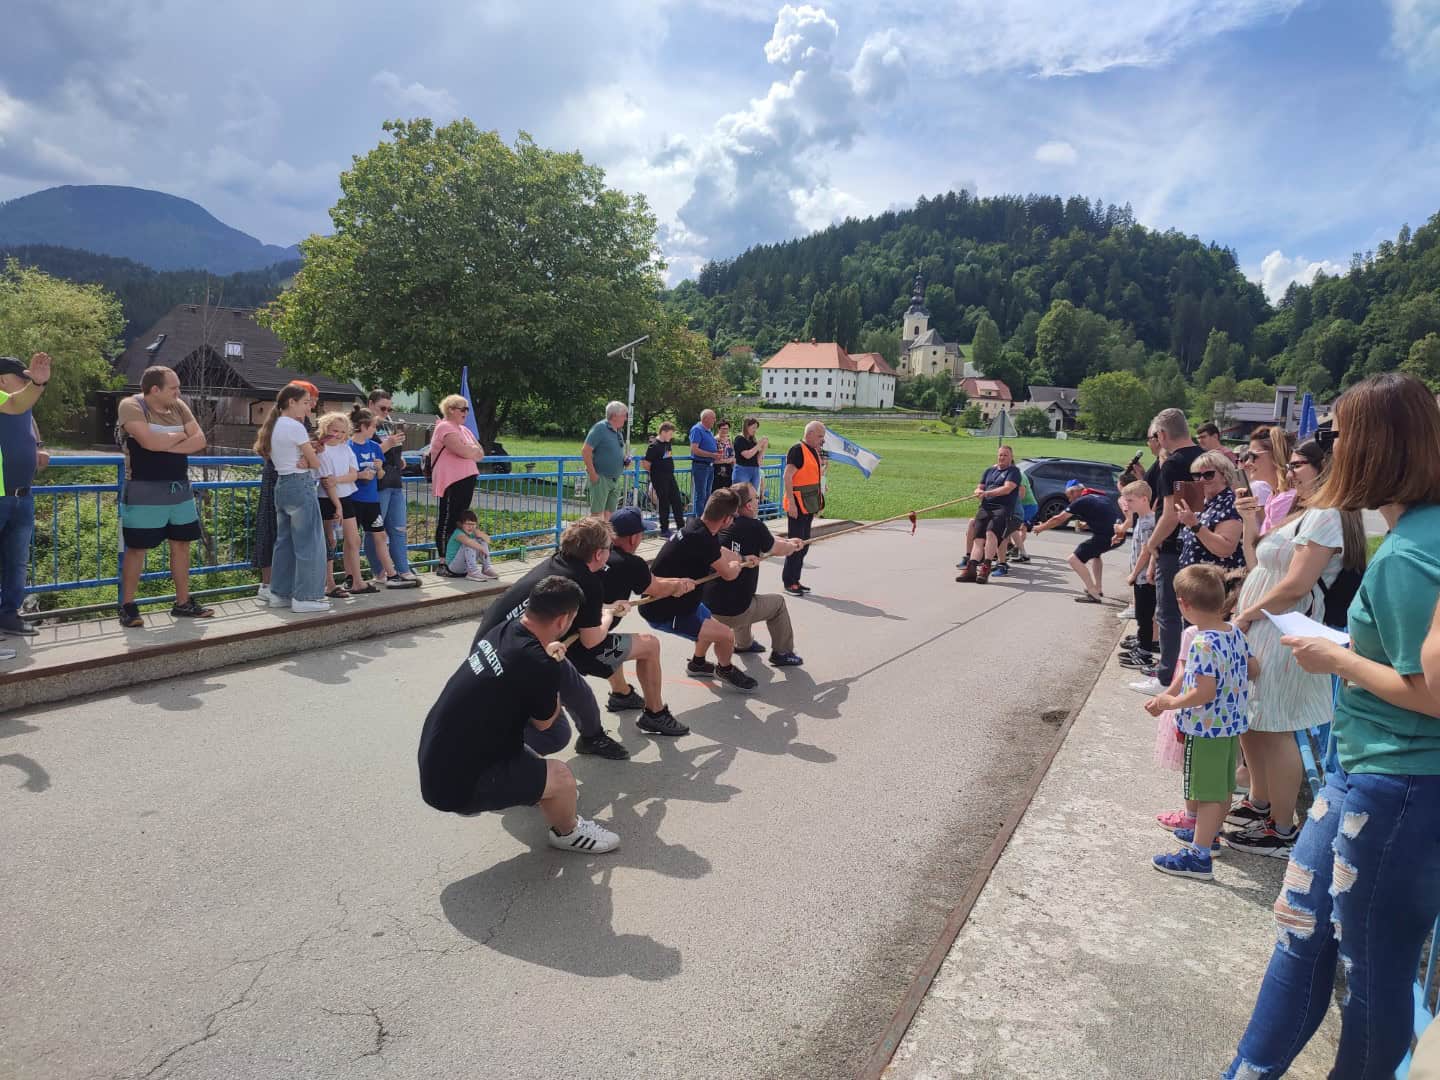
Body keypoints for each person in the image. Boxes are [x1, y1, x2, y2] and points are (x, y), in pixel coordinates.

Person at [1219, 373, 1440, 1080]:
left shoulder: (1413, 552)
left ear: (1376, 444)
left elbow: (1435, 693)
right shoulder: (1415, 533)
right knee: (1299, 933)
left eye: (1338, 435)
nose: (1327, 447)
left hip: (1398, 784)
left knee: (1370, 979)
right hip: (1365, 773)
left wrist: (1336, 658)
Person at [1225, 438, 1367, 859]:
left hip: (1281, 627)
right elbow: (1261, 564)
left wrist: (1248, 614)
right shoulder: (1305, 512)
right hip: (1264, 624)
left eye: (1300, 464)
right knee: (1254, 717)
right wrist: (1249, 521)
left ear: (1325, 468)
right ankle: (1260, 800)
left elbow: (1296, 585)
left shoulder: (1327, 515)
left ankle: (1282, 827)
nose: (1289, 471)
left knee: (1276, 725)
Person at [418, 574, 620, 854]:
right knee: (563, 779)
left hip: (436, 757)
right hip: (453, 787)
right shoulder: (541, 664)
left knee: (545, 758)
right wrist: (552, 672)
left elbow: (520, 668)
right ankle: (568, 833)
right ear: (563, 620)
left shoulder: (504, 629)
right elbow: (545, 723)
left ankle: (531, 789)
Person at [474, 516, 676, 757]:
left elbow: (574, 610)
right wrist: (608, 614)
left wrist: (607, 607)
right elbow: (593, 640)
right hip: (510, 660)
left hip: (489, 644)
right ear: (599, 554)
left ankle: (593, 737)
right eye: (608, 548)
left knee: (578, 690)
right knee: (554, 733)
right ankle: (493, 752)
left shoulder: (557, 563)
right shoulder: (586, 582)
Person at [1145, 564, 1257, 881]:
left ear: (1184, 604)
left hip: (1206, 728)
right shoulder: (1234, 633)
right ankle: (1210, 835)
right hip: (1231, 725)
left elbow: (1203, 692)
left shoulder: (1202, 642)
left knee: (1206, 792)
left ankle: (1200, 855)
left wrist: (1170, 703)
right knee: (1222, 787)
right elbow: (1254, 669)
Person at [115, 365, 214, 629]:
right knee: (137, 548)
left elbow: (200, 440)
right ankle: (127, 606)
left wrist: (164, 443)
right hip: (144, 489)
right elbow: (148, 443)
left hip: (179, 490)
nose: (178, 392)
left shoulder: (179, 406)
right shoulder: (131, 406)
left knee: (182, 544)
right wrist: (180, 436)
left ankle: (183, 602)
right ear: (155, 389)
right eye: (173, 388)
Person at [642, 488, 759, 691]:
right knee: (726, 635)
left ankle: (697, 664)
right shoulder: (702, 539)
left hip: (685, 601)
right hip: (665, 610)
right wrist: (738, 565)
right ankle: (725, 669)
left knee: (709, 622)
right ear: (726, 519)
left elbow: (719, 551)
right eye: (733, 517)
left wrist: (741, 557)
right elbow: (729, 574)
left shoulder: (698, 526)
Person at [597, 506, 697, 733]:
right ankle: (655, 713)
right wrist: (679, 586)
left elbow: (652, 581)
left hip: (588, 629)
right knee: (649, 645)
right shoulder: (631, 564)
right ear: (634, 538)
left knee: (615, 641)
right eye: (641, 534)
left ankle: (621, 694)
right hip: (586, 639)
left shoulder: (599, 553)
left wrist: (676, 582)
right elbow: (657, 588)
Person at [1136, 408, 1205, 695]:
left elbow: (1170, 515)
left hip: (1174, 548)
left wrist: (1151, 544)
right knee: (1196, 615)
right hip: (1202, 544)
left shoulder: (1173, 464)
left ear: (1162, 434)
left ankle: (1167, 678)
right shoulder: (1205, 458)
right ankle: (1192, 674)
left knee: (1169, 614)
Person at [706, 482, 805, 666]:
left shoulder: (721, 523)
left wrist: (788, 541)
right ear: (749, 505)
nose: (759, 501)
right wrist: (792, 546)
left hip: (710, 608)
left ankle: (743, 644)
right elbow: (777, 548)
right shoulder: (754, 526)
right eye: (756, 498)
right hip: (733, 611)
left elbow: (768, 539)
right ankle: (782, 652)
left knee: (743, 595)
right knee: (777, 604)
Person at [258, 384, 330, 613]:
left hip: (283, 484)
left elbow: (299, 457)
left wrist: (306, 458)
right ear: (292, 402)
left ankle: (280, 593)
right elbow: (315, 463)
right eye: (305, 402)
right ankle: (306, 597)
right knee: (310, 542)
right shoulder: (296, 427)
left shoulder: (275, 425)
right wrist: (309, 458)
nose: (309, 407)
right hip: (300, 484)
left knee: (285, 542)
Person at [0, 353, 51, 647]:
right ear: (2, 380)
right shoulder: (6, 399)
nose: (25, 382)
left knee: (17, 562)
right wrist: (38, 383)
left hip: (22, 494)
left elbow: (27, 416)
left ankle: (9, 615)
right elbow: (18, 403)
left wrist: (39, 446)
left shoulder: (22, 404)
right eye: (22, 378)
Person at [1029, 479, 1124, 601]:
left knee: (1073, 559)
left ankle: (1093, 593)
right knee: (1096, 555)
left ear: (1074, 492)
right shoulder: (1099, 497)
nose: (1069, 500)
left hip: (1107, 537)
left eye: (1069, 496)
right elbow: (1104, 516)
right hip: (1119, 535)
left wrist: (1041, 527)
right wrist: (1086, 525)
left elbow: (1058, 519)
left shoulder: (1081, 501)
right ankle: (1098, 588)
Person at [347, 404, 405, 589]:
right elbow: (344, 474)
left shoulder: (374, 447)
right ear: (363, 426)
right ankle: (351, 577)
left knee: (380, 536)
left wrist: (379, 469)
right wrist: (359, 475)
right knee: (352, 540)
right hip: (353, 499)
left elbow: (380, 476)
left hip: (372, 500)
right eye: (373, 426)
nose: (375, 430)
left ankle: (392, 574)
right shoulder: (348, 447)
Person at [365, 389, 419, 586]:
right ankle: (379, 571)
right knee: (375, 530)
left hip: (394, 481)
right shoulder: (363, 423)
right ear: (370, 404)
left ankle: (403, 569)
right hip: (376, 484)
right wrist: (387, 445)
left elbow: (390, 450)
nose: (386, 412)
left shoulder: (388, 424)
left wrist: (399, 457)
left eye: (389, 408)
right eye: (382, 408)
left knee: (399, 529)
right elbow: (362, 453)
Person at [314, 412, 367, 598]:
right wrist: (335, 483)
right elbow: (326, 481)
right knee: (330, 541)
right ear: (325, 429)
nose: (338, 435)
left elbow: (353, 474)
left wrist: (337, 480)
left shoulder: (346, 449)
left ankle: (357, 580)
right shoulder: (321, 450)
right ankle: (329, 583)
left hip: (345, 496)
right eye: (334, 430)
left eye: (343, 431)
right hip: (326, 499)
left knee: (354, 539)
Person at [429, 395, 484, 571]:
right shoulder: (444, 426)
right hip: (451, 481)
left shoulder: (464, 430)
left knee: (461, 519)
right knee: (448, 519)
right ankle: (443, 562)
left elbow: (480, 453)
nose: (466, 412)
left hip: (467, 479)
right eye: (463, 409)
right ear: (451, 410)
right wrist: (471, 450)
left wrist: (471, 450)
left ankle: (456, 560)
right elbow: (463, 451)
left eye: (467, 409)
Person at [956, 445, 1022, 585]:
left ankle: (985, 569)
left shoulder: (1013, 471)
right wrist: (978, 492)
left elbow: (1007, 488)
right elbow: (980, 487)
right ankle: (971, 569)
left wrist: (987, 493)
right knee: (978, 539)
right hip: (985, 507)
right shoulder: (989, 471)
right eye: (1000, 455)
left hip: (1002, 509)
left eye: (1005, 455)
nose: (1002, 457)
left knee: (991, 533)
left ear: (1011, 457)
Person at [1175, 450, 1245, 571]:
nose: (1201, 479)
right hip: (1195, 577)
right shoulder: (1202, 502)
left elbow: (1225, 549)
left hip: (1218, 578)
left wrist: (1194, 524)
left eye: (1208, 475)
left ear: (1225, 476)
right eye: (1197, 476)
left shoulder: (1230, 503)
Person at [782, 421, 826, 597]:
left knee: (805, 544)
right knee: (796, 545)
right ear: (810, 434)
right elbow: (787, 476)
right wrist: (791, 503)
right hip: (798, 505)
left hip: (808, 503)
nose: (822, 440)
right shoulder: (797, 450)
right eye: (820, 436)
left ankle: (796, 579)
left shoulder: (813, 450)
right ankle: (789, 582)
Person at [1116, 480, 1156, 669]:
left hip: (1144, 577)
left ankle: (1145, 651)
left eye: (1131, 501)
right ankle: (1141, 643)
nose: (1128, 505)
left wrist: (1134, 573)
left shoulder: (1148, 522)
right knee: (1141, 614)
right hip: (1140, 576)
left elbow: (1146, 551)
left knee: (1144, 615)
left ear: (1144, 499)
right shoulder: (1141, 519)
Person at [582, 401, 628, 520]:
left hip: (615, 479)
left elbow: (613, 452)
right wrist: (593, 475)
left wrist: (624, 460)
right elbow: (586, 451)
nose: (626, 418)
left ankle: (606, 533)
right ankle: (595, 533)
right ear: (614, 416)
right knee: (597, 515)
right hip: (601, 478)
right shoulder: (600, 428)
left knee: (610, 515)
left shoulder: (618, 431)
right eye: (624, 415)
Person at [642, 422, 687, 536]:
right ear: (663, 432)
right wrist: (656, 473)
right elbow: (646, 463)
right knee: (664, 502)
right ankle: (664, 529)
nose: (671, 436)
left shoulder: (667, 444)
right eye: (670, 434)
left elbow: (667, 457)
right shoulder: (654, 446)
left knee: (677, 501)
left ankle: (681, 526)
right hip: (659, 478)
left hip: (670, 476)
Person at [1248, 424, 1295, 532]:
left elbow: (1266, 543)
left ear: (1275, 456)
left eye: (1252, 456)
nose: (1247, 463)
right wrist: (1247, 516)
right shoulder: (1274, 496)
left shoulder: (1285, 499)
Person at [444, 509, 497, 580]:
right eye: (468, 524)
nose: (470, 527)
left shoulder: (473, 532)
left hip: (466, 567)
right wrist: (481, 548)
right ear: (461, 524)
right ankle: (473, 572)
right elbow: (468, 542)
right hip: (454, 567)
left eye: (473, 524)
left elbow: (488, 540)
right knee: (470, 544)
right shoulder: (458, 533)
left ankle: (486, 569)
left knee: (482, 540)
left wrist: (478, 532)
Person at [688, 408, 719, 518]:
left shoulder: (708, 431)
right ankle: (700, 519)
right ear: (705, 419)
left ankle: (706, 517)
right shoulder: (697, 429)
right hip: (701, 465)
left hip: (709, 466)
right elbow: (694, 449)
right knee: (701, 494)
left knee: (707, 494)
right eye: (713, 418)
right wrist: (711, 455)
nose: (715, 420)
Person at [732, 416, 767, 494]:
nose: (755, 430)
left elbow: (759, 461)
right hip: (742, 470)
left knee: (753, 496)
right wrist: (759, 445)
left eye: (756, 428)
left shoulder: (753, 441)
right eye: (753, 427)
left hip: (755, 470)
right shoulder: (739, 439)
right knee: (742, 495)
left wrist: (764, 447)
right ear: (746, 427)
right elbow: (747, 455)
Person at [713, 419, 734, 489]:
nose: (725, 430)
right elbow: (712, 457)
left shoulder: (729, 440)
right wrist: (726, 460)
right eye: (723, 429)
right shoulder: (714, 440)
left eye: (727, 429)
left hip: (728, 468)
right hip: (717, 468)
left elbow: (732, 453)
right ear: (719, 429)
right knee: (717, 489)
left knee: (728, 489)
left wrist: (731, 459)